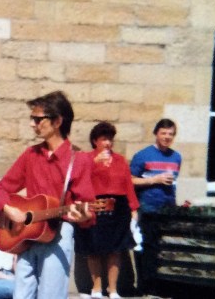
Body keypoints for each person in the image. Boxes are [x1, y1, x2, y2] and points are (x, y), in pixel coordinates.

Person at [0, 90, 96, 298]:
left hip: (57, 233)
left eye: (38, 119)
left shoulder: (80, 159)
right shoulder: (31, 155)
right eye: (32, 118)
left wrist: (84, 216)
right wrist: (9, 211)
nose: (32, 124)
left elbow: (88, 210)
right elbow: (1, 190)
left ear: (57, 121)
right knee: (21, 295)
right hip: (27, 235)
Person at [74, 121, 140, 299]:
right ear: (95, 141)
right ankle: (96, 288)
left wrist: (134, 209)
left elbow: (128, 185)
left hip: (118, 207)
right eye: (104, 139)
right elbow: (78, 180)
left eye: (110, 139)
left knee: (115, 250)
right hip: (95, 205)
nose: (108, 143)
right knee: (93, 248)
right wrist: (94, 163)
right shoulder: (86, 158)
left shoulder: (120, 160)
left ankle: (113, 289)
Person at [129, 118, 182, 297]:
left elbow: (174, 182)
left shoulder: (176, 157)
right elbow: (129, 180)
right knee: (147, 248)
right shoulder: (142, 155)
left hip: (168, 210)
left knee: (165, 249)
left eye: (171, 134)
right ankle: (145, 287)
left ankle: (160, 286)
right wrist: (154, 180)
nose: (167, 137)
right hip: (147, 208)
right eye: (163, 133)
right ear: (156, 134)